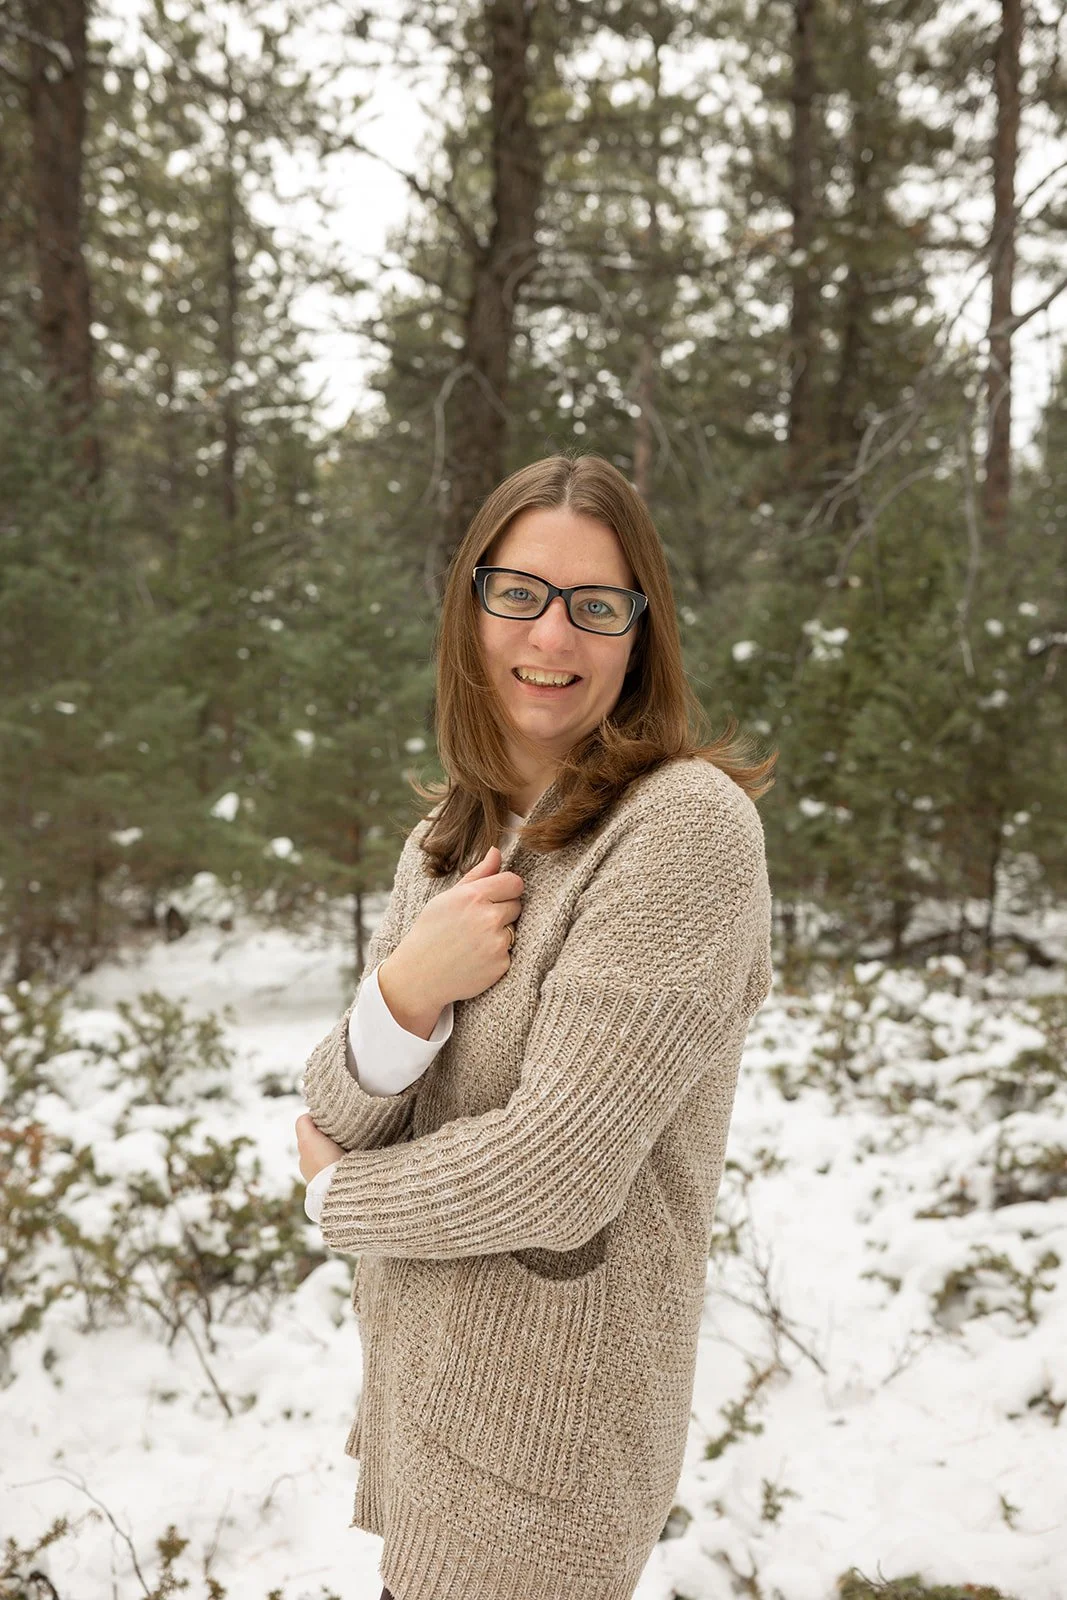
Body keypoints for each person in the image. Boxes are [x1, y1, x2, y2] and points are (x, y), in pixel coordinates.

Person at [295, 452, 777, 1600]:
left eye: (593, 606)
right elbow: (338, 1104)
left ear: (637, 634)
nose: (551, 639)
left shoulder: (681, 831)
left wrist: (333, 1201)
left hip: (548, 1437)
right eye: (518, 593)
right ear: (468, 608)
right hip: (428, 1390)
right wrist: (408, 986)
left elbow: (557, 1171)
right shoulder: (446, 838)